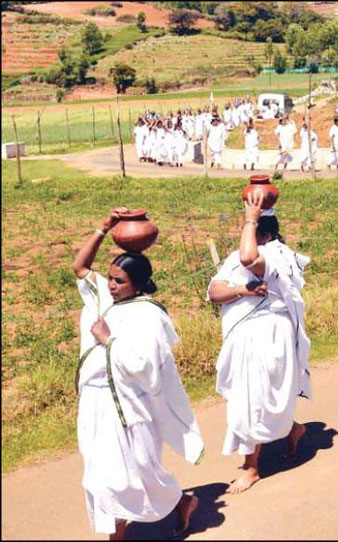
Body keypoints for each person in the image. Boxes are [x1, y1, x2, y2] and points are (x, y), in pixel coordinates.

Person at [72, 208, 203, 540]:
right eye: (111, 278)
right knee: (104, 476)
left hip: (132, 406)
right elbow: (80, 267)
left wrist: (108, 340)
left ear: (138, 285)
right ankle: (178, 503)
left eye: (119, 281)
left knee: (133, 473)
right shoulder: (106, 297)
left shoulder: (149, 316)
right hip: (96, 404)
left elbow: (145, 367)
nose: (111, 285)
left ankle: (128, 528)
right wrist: (102, 229)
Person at [208, 192, 311, 494]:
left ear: (263, 232)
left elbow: (248, 258)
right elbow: (215, 291)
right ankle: (293, 429)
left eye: (250, 229)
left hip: (269, 338)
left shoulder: (278, 256)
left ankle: (251, 467)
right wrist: (241, 290)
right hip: (244, 338)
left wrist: (250, 218)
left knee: (253, 401)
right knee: (252, 399)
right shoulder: (238, 256)